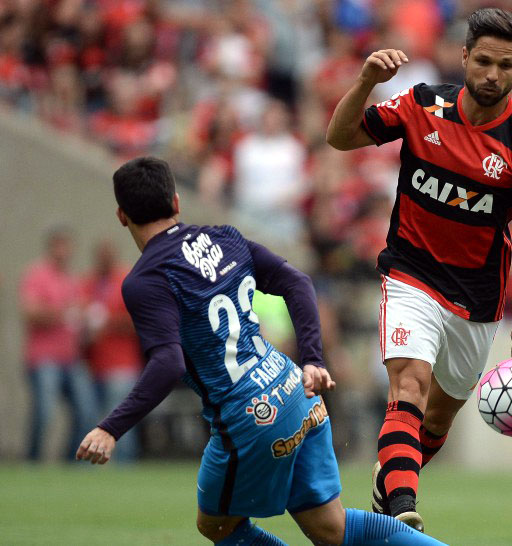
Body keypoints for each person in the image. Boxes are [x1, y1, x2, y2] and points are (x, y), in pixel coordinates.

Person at [75, 157, 445, 546]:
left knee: (217, 525)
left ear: (122, 215)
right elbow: (298, 282)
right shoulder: (225, 237)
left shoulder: (145, 279)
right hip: (296, 391)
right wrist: (312, 360)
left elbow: (168, 363)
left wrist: (110, 428)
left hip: (249, 417)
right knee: (331, 529)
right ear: (176, 202)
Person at [326, 7, 512, 530]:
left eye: (505, 65)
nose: (492, 75)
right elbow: (340, 138)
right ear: (464, 56)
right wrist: (366, 81)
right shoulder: (421, 104)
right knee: (409, 384)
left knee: (437, 416)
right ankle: (402, 507)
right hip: (410, 274)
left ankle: (391, 477)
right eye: (483, 61)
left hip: (477, 296)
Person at [20, 226, 98, 461]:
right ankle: (33, 460)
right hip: (44, 359)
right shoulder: (37, 275)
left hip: (71, 358)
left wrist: (87, 321)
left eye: (67, 246)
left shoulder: (72, 280)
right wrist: (63, 312)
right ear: (51, 247)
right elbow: (30, 313)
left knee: (86, 411)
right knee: (44, 412)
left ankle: (70, 463)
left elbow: (78, 318)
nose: (63, 251)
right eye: (59, 245)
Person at [81, 239, 142, 462]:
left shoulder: (126, 281)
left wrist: (108, 322)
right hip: (93, 366)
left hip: (122, 365)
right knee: (90, 419)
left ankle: (124, 467)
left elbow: (140, 321)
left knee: (120, 421)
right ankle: (91, 470)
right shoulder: (88, 283)